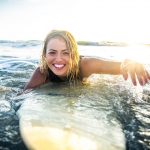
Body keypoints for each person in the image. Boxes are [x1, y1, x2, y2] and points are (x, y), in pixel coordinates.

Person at [24, 30, 150, 91]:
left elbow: (122, 66)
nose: (58, 59)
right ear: (44, 55)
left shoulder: (86, 65)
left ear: (74, 55)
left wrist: (131, 65)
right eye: (52, 52)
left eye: (66, 53)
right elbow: (24, 95)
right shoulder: (42, 73)